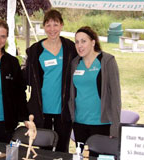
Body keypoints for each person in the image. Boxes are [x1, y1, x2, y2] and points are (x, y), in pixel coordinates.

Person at [24, 9, 77, 152]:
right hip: (42, 109)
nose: (52, 29)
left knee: (62, 148)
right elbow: (27, 77)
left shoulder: (70, 48)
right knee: (43, 149)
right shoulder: (35, 50)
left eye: (55, 24)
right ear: (43, 27)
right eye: (48, 25)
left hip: (63, 109)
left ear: (62, 25)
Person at [69, 26, 121, 156]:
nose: (79, 45)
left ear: (93, 42)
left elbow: (115, 97)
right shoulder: (75, 63)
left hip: (101, 124)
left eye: (83, 41)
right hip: (80, 123)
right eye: (77, 42)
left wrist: (115, 127)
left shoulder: (107, 61)